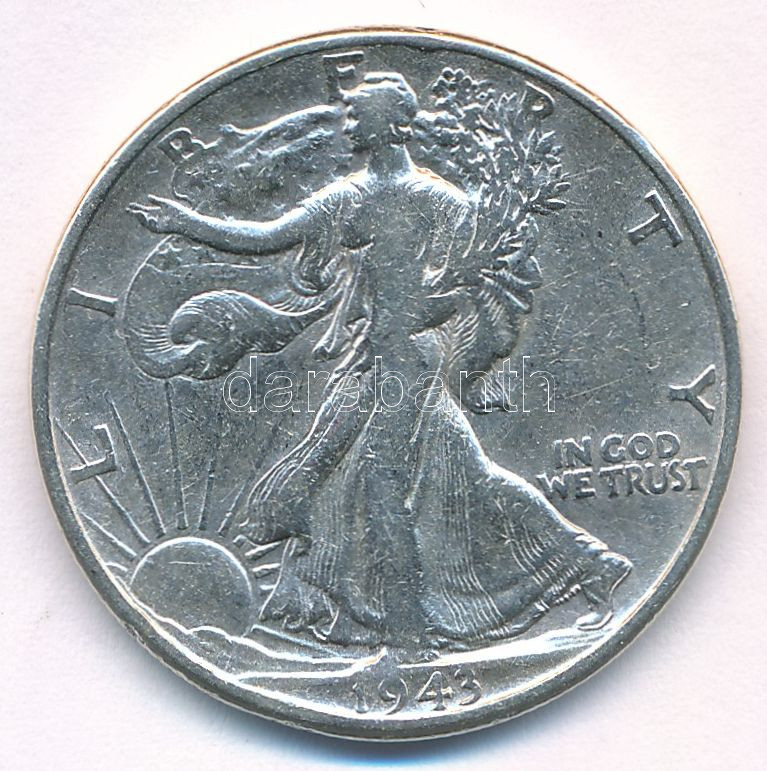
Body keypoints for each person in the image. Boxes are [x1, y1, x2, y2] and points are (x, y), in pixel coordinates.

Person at [128, 71, 631, 652]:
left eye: (358, 113)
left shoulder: (441, 203)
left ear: (393, 123)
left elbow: (478, 286)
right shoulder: (347, 196)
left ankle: (408, 634)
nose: (348, 123)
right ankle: (591, 564)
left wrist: (431, 316)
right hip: (371, 358)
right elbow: (268, 236)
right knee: (460, 474)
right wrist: (187, 223)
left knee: (381, 482)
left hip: (410, 360)